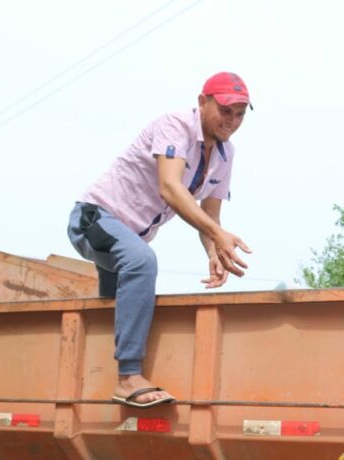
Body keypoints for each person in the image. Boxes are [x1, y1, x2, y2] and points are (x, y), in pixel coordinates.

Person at [67, 72, 253, 407]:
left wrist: (215, 252)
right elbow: (170, 187)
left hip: (129, 239)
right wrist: (217, 235)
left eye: (240, 114)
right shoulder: (175, 126)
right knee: (141, 262)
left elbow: (211, 216)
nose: (233, 121)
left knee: (117, 302)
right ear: (202, 101)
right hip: (95, 218)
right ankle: (128, 377)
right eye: (226, 110)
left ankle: (95, 386)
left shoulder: (226, 155)